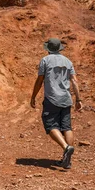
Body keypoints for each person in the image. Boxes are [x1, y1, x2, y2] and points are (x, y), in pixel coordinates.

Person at [30, 38, 82, 169]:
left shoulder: (45, 60)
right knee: (66, 127)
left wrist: (33, 96)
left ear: (48, 49)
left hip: (52, 99)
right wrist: (78, 99)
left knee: (50, 124)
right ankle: (67, 161)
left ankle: (66, 148)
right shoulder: (68, 61)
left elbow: (39, 80)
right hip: (66, 99)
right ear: (59, 48)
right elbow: (75, 81)